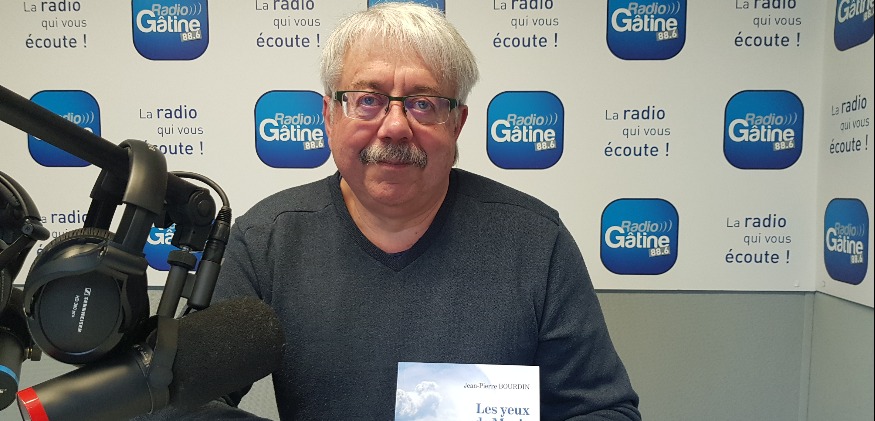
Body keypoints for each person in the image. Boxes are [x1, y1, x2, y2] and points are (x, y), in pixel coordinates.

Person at [142, 2, 640, 420]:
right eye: (368, 100)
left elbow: (604, 410)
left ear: (457, 124)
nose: (396, 126)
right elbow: (181, 403)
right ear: (328, 116)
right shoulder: (268, 241)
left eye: (423, 103)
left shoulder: (535, 241)